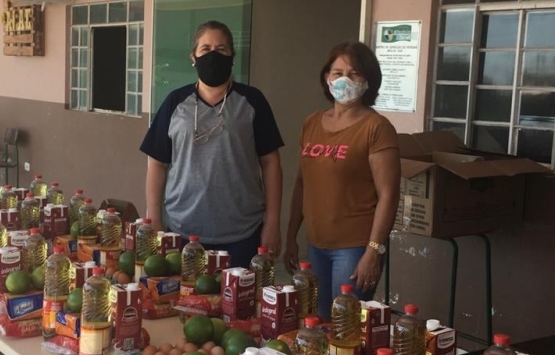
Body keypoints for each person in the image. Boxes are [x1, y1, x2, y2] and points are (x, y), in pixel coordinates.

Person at [140, 20, 284, 269]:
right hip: (183, 230)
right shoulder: (175, 102)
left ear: (232, 56)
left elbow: (270, 163)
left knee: (239, 305)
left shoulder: (252, 101)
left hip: (242, 233)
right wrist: (154, 218)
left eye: (221, 49)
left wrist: (272, 222)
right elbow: (157, 163)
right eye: (205, 49)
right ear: (193, 57)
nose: (213, 55)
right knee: (182, 305)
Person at [283, 41, 400, 320]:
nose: (344, 80)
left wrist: (373, 251)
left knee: (345, 330)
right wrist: (290, 237)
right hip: (316, 244)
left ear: (368, 80)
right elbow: (302, 183)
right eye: (337, 73)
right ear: (327, 78)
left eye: (354, 73)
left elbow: (389, 194)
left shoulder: (377, 128)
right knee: (318, 324)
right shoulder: (312, 122)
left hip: (355, 248)